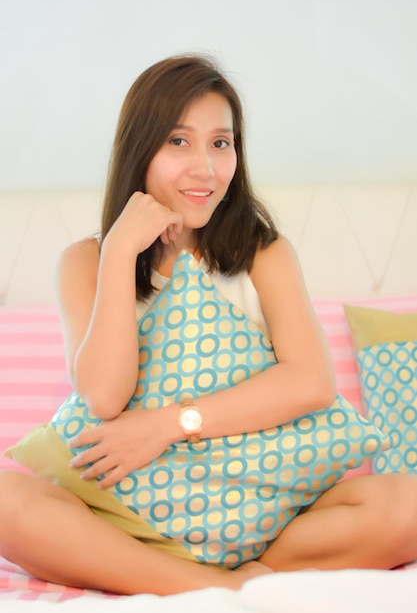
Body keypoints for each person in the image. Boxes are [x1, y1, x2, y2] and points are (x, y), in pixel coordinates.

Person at [1, 54, 417, 597]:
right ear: (140, 148)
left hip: (270, 521)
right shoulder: (88, 261)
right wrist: (121, 249)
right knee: (8, 502)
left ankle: (198, 583)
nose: (205, 168)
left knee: (406, 504)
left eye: (220, 143)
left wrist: (167, 425)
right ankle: (218, 587)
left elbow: (311, 381)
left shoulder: (262, 253)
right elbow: (103, 395)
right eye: (179, 141)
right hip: (130, 522)